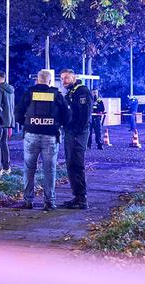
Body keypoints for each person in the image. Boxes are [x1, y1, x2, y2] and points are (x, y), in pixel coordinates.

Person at [15, 70, 70, 211]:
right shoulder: (56, 95)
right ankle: (49, 202)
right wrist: (58, 124)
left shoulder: (29, 93)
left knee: (29, 169)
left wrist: (26, 123)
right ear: (50, 81)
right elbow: (67, 115)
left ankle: (28, 201)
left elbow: (18, 113)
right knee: (50, 170)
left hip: (31, 135)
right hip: (50, 136)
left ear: (37, 80)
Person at [60, 69, 93, 210]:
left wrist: (76, 131)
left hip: (77, 133)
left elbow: (84, 115)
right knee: (71, 164)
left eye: (66, 78)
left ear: (74, 78)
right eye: (62, 79)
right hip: (71, 132)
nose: (64, 81)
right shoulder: (72, 92)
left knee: (77, 164)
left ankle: (82, 198)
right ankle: (77, 196)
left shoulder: (81, 91)